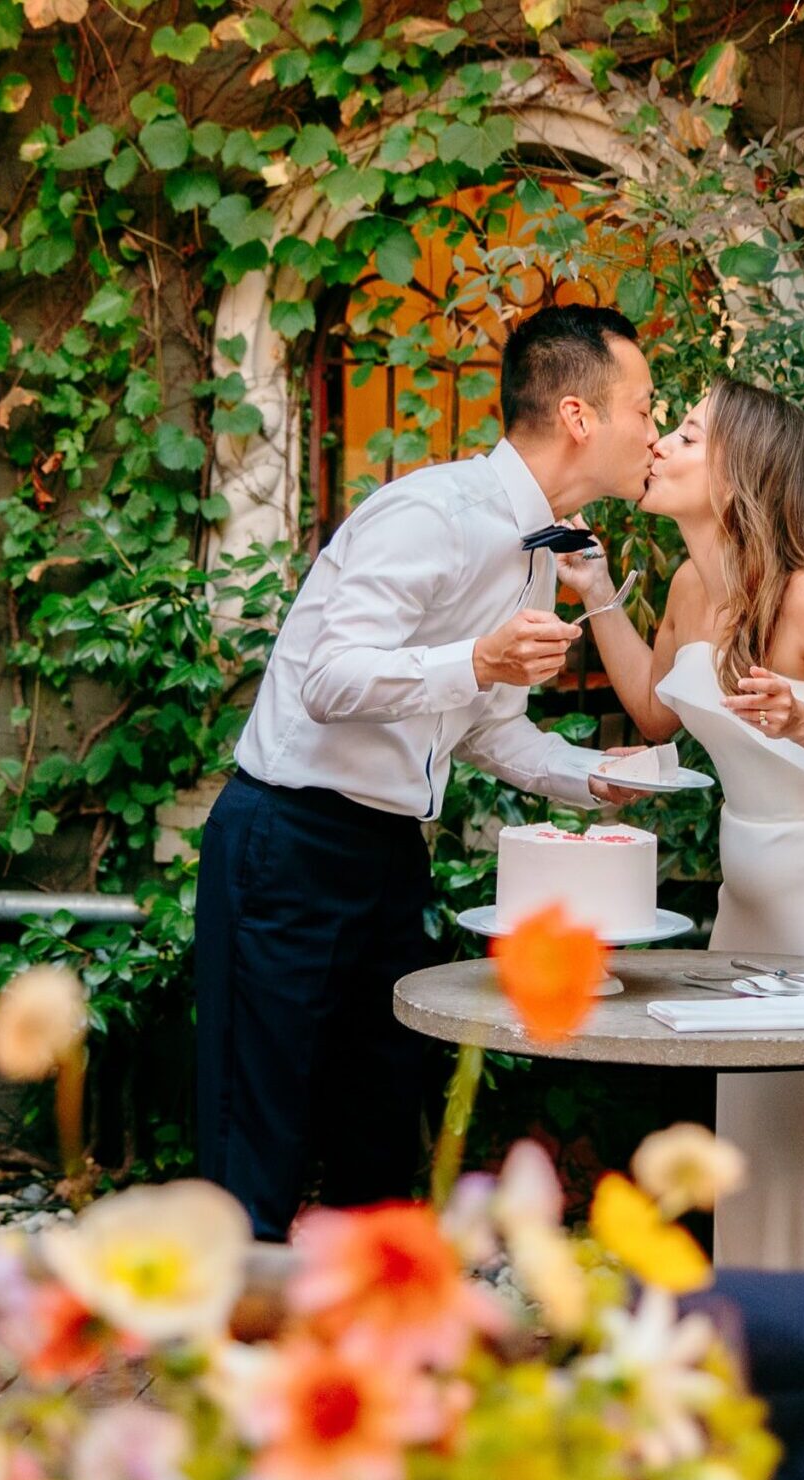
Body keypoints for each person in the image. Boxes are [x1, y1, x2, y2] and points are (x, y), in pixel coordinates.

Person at [196, 305, 656, 1240]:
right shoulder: (432, 513)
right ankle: (227, 1363)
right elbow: (329, 678)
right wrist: (479, 659)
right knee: (257, 1141)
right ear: (579, 417)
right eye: (645, 408)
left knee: (378, 1130)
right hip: (286, 844)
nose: (655, 427)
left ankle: (364, 1363)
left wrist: (594, 777)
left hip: (386, 857)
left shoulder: (539, 549)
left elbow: (486, 730)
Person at [558, 378, 804, 1272]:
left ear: (742, 471)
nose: (660, 442)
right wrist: (594, 590)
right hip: (751, 918)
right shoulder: (687, 587)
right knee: (755, 1167)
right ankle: (768, 1368)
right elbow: (654, 710)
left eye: (688, 435)